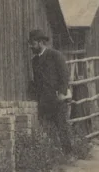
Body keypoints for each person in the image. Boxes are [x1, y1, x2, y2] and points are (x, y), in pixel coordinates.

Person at [28, 28, 75, 156]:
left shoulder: (55, 55)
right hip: (44, 100)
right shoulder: (35, 61)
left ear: (40, 42)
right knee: (47, 128)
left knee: (62, 127)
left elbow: (64, 75)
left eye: (33, 43)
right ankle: (53, 155)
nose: (31, 46)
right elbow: (38, 81)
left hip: (58, 98)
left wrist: (61, 93)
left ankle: (68, 154)